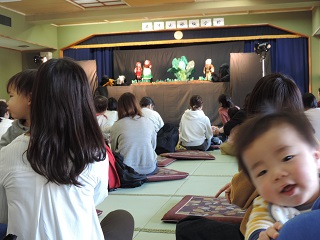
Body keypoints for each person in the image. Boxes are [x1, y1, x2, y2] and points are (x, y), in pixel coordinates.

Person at [0, 58, 134, 240]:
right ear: (84, 100)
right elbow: (96, 197)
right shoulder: (95, 153)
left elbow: (4, 213)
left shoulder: (7, 154)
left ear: (34, 98)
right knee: (122, 218)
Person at [176, 73, 304, 240]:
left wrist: (242, 179)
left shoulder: (261, 143)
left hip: (258, 231)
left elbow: (238, 198)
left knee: (187, 227)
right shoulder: (306, 142)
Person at [234, 111, 320, 240]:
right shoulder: (266, 207)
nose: (277, 174)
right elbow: (256, 227)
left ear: (315, 158)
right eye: (262, 172)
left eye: (287, 157)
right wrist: (262, 236)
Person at [110, 92, 158, 175]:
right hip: (150, 169)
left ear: (120, 108)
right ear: (137, 105)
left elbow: (113, 150)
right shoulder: (148, 121)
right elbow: (153, 145)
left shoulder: (117, 125)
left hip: (126, 171)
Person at [0, 69, 36, 150]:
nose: (8, 103)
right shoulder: (14, 129)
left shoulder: (49, 130)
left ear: (29, 98)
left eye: (11, 96)